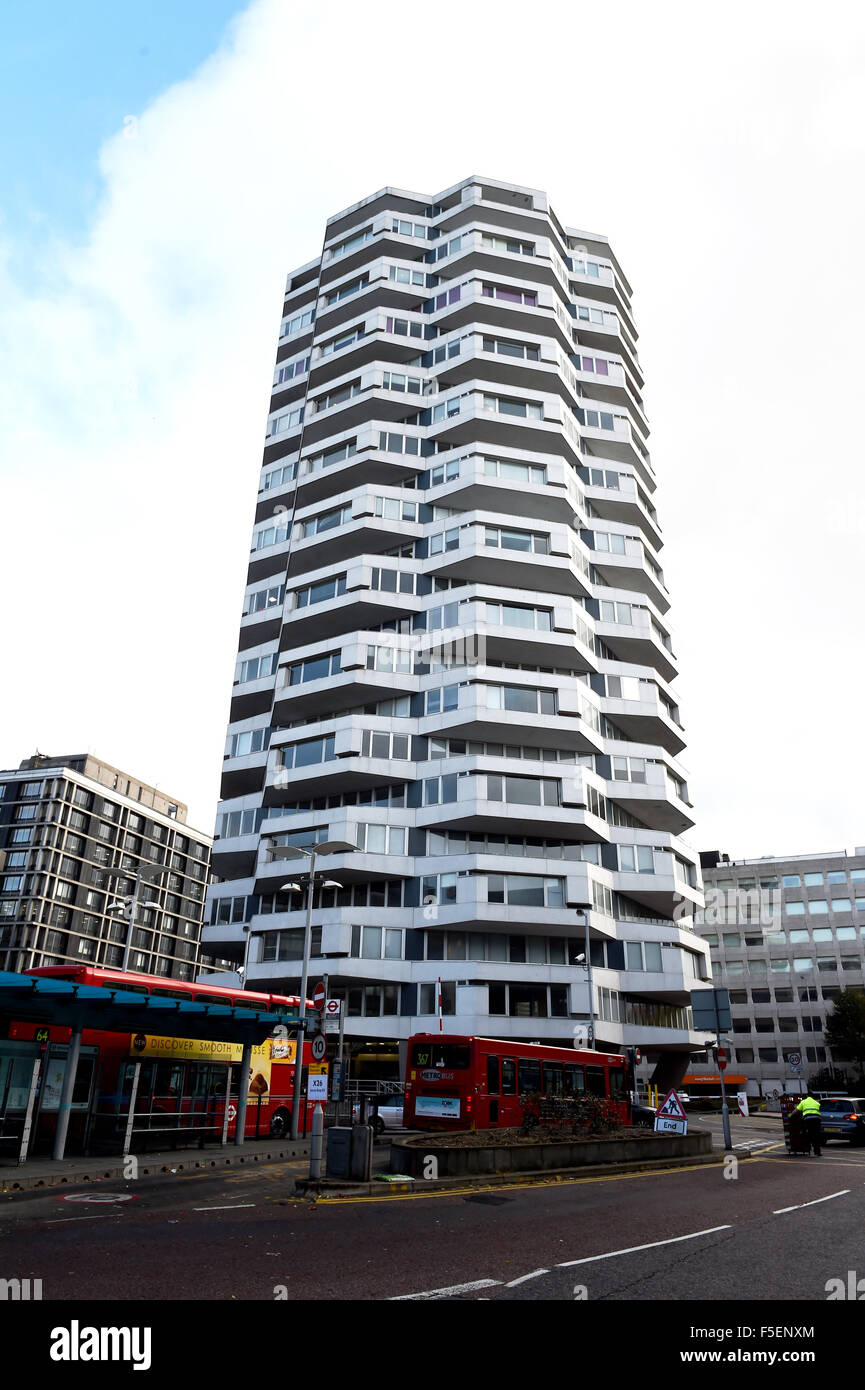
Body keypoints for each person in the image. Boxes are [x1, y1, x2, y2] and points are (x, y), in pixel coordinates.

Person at [795, 1091, 823, 1156]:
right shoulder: (817, 1102)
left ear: (807, 1096)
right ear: (813, 1096)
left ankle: (807, 1145)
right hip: (817, 1120)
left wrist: (790, 1115)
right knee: (816, 1135)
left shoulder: (803, 1102)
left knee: (808, 1134)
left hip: (808, 1120)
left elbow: (796, 1111)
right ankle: (817, 1152)